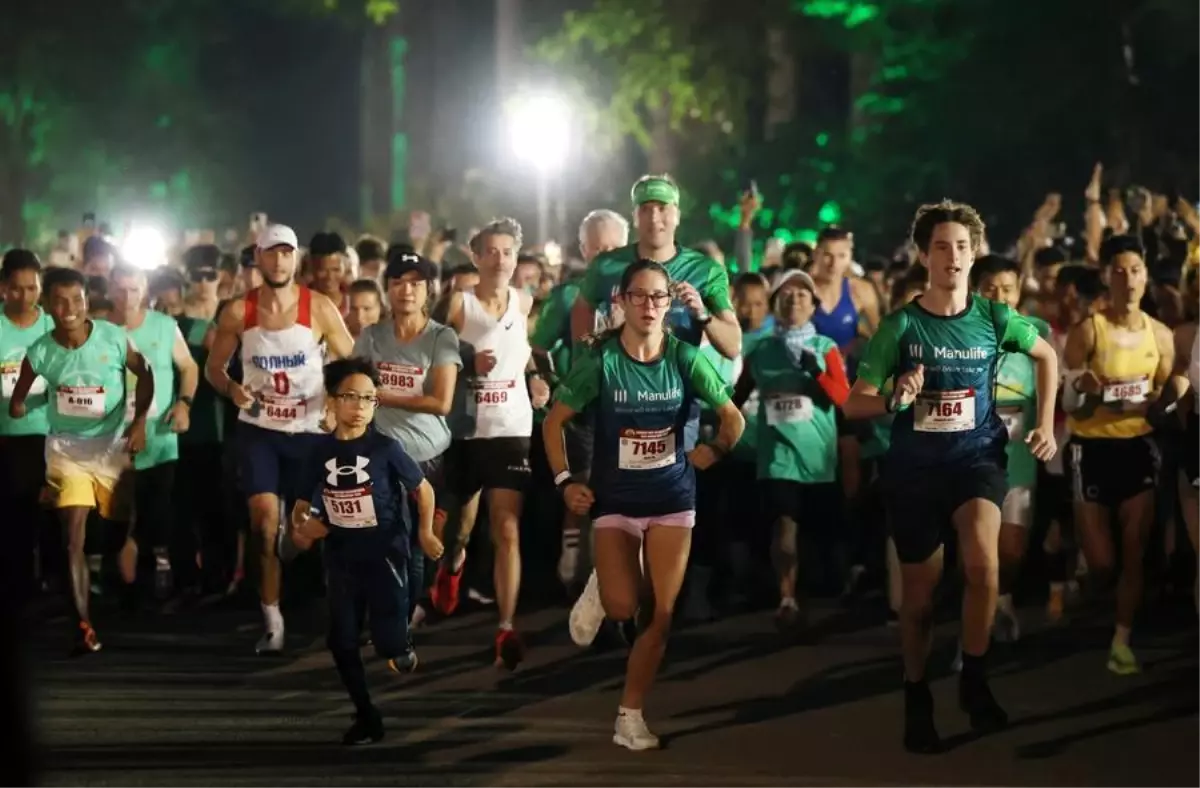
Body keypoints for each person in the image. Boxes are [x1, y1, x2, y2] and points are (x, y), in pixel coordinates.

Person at [844, 200, 1058, 754]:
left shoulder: (994, 317)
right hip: (916, 470)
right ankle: (917, 696)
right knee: (918, 602)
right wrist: (896, 395)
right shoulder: (901, 326)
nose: (953, 256)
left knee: (984, 569)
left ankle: (974, 678)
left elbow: (1047, 357)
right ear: (923, 256)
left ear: (975, 254)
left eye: (963, 246)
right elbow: (854, 404)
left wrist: (1049, 424)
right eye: (942, 246)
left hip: (977, 460)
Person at [544, 259, 744, 750]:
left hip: (674, 496)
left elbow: (732, 417)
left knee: (660, 613)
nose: (650, 306)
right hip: (616, 500)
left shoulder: (685, 358)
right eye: (640, 296)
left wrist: (715, 449)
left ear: (668, 304)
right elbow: (553, 423)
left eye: (659, 297)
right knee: (623, 605)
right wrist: (566, 481)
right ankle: (601, 586)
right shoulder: (602, 361)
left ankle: (629, 716)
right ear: (622, 302)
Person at [205, 224, 355, 655]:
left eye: (286, 254)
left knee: (304, 532)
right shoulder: (238, 311)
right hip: (260, 432)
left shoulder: (320, 308)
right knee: (263, 523)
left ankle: (305, 565)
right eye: (271, 254)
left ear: (296, 259)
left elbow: (352, 362)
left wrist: (333, 406)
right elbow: (216, 368)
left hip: (308, 433)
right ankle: (273, 621)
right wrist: (233, 389)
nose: (279, 261)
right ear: (259, 256)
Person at [289, 358, 442, 745]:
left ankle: (400, 637)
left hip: (386, 554)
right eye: (351, 397)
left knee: (389, 645)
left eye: (369, 399)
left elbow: (422, 489)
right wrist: (303, 525)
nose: (359, 406)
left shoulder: (386, 448)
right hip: (341, 556)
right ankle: (366, 714)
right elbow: (302, 502)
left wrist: (424, 532)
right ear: (332, 401)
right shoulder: (318, 451)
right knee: (340, 641)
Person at [9, 267, 155, 654]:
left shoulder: (112, 336)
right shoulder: (40, 352)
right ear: (48, 306)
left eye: (76, 299)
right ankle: (83, 625)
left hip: (111, 449)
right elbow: (19, 398)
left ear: (87, 301)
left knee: (115, 532)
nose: (69, 308)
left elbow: (147, 372)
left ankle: (118, 580)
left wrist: (139, 422)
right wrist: (22, 404)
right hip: (66, 451)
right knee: (72, 538)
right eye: (59, 300)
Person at [432, 219, 549, 670]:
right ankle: (454, 565)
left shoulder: (525, 302)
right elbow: (427, 348)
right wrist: (466, 358)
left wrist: (537, 380)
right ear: (476, 256)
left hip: (511, 428)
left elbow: (528, 349)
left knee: (506, 529)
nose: (500, 260)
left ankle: (505, 627)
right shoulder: (458, 305)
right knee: (459, 531)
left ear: (516, 258)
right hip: (466, 429)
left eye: (507, 252)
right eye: (491, 252)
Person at [1063, 234, 1174, 674]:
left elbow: (1165, 395)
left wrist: (1163, 403)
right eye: (1119, 271)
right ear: (1107, 277)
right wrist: (1084, 390)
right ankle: (1086, 569)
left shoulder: (1160, 336)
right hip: (1091, 449)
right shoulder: (1089, 330)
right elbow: (1068, 400)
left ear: (1146, 277)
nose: (1128, 279)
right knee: (1105, 563)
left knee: (1134, 551)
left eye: (1135, 270)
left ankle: (1122, 640)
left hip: (1137, 448)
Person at [733, 270, 850, 628]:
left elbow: (842, 397)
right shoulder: (762, 351)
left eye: (802, 295)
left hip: (818, 458)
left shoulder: (826, 348)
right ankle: (786, 597)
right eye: (786, 295)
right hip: (777, 454)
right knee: (783, 526)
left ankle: (816, 593)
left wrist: (816, 373)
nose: (794, 300)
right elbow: (736, 397)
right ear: (775, 306)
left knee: (817, 534)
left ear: (814, 306)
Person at [354, 249, 461, 622]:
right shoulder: (371, 336)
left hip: (425, 455)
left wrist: (383, 395)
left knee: (416, 541)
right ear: (387, 289)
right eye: (398, 283)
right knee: (380, 536)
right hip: (378, 453)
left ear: (428, 290)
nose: (407, 291)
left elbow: (442, 401)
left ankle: (403, 612)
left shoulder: (441, 338)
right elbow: (354, 388)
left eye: (416, 283)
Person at [531, 209, 630, 594]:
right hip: (585, 410)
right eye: (598, 248)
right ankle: (574, 560)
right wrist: (554, 383)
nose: (606, 255)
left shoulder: (644, 291)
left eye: (614, 247)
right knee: (585, 487)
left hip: (633, 406)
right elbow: (538, 346)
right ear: (584, 250)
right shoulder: (570, 295)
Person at [972, 254, 1052, 642]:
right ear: (975, 292)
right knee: (977, 551)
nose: (1000, 298)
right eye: (990, 290)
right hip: (971, 458)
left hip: (1018, 456)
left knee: (1013, 549)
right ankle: (973, 631)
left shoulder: (1038, 332)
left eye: (1007, 289)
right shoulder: (961, 334)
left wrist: (1046, 426)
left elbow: (1050, 384)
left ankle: (1002, 599)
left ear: (1020, 293)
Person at [108, 265, 200, 604]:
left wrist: (184, 404)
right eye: (120, 290)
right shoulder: (99, 329)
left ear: (145, 289)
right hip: (111, 436)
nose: (127, 297)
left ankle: (143, 587)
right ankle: (119, 586)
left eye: (134, 289)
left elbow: (189, 367)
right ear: (110, 289)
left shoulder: (163, 326)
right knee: (115, 514)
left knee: (155, 513)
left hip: (159, 436)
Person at [0, 250, 55, 603]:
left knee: (48, 515)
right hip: (6, 437)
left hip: (47, 435)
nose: (24, 296)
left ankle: (51, 585)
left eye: (31, 288)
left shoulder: (52, 326)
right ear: (3, 288)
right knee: (12, 517)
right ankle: (17, 586)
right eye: (16, 289)